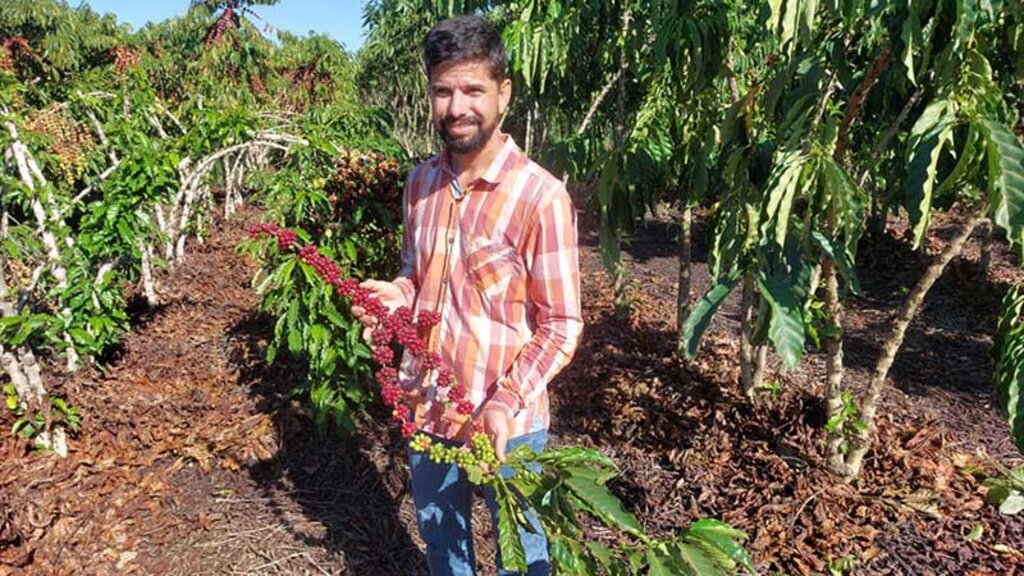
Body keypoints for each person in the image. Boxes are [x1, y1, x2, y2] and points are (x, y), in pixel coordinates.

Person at [351, 14, 583, 576]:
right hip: (427, 409)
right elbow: (417, 276)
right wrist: (396, 298)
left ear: (503, 94)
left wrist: (504, 403)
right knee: (444, 552)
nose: (457, 107)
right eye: (443, 91)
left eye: (473, 89)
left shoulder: (540, 197)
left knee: (523, 558)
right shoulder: (420, 184)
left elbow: (562, 324)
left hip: (509, 425)